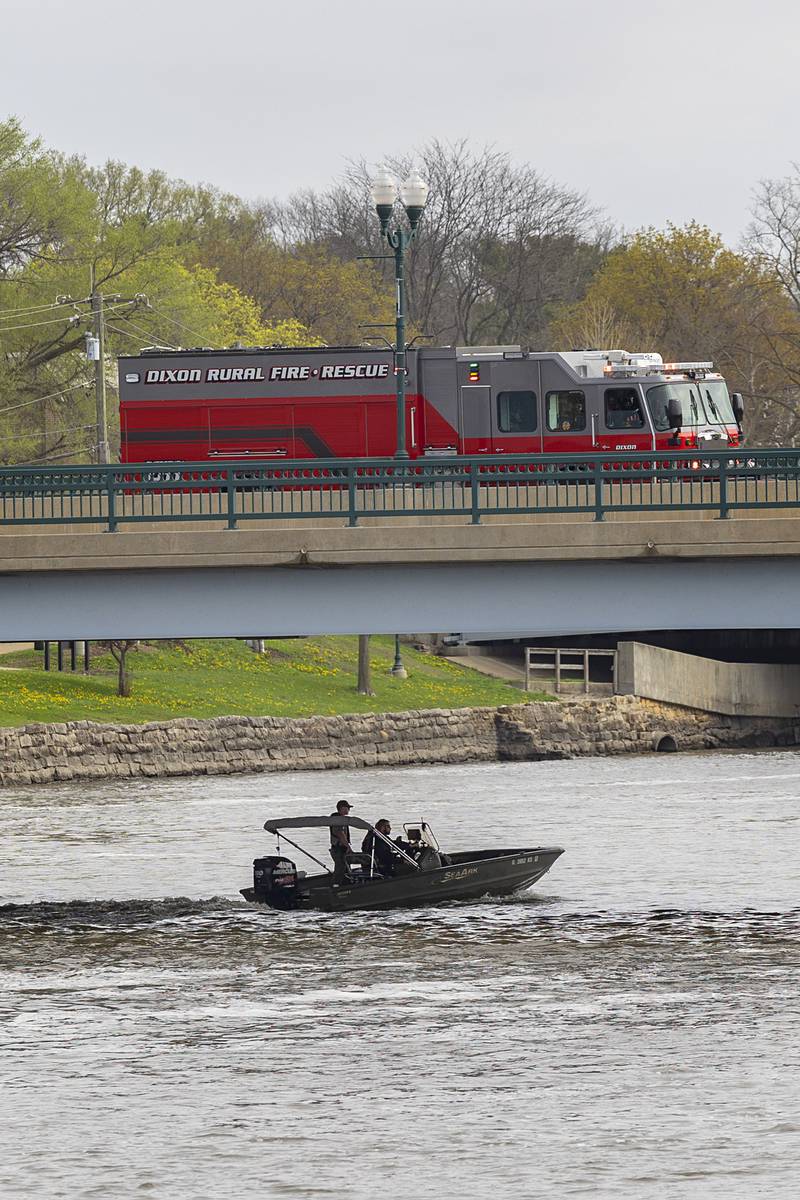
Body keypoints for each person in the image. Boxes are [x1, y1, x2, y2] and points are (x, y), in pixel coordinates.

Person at [329, 799, 354, 884]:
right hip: (338, 849)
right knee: (340, 869)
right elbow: (340, 834)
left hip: (340, 848)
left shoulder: (341, 819)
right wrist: (348, 846)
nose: (348, 810)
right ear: (342, 808)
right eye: (347, 808)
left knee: (345, 868)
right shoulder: (338, 819)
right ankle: (335, 887)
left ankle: (345, 885)